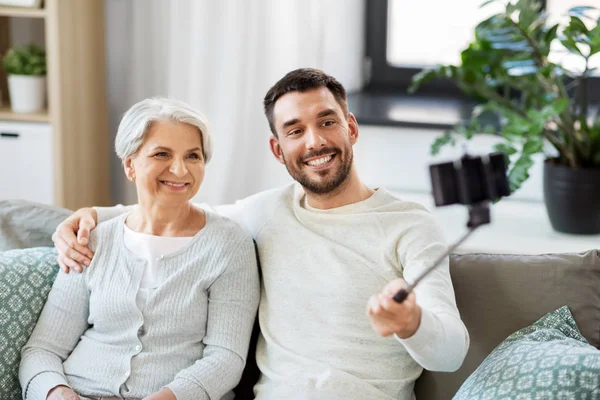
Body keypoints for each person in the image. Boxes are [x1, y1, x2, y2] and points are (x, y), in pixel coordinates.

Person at [52, 69, 469, 400]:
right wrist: (87, 217)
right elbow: (171, 210)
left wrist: (411, 323)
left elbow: (451, 355)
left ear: (351, 128)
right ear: (277, 149)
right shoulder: (266, 211)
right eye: (295, 130)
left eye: (327, 122)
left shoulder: (410, 225)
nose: (316, 141)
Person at [20, 98, 260, 400]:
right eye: (162, 154)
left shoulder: (228, 245)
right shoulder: (91, 239)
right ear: (130, 165)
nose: (179, 169)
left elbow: (226, 359)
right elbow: (43, 349)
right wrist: (57, 393)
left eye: (193, 156)